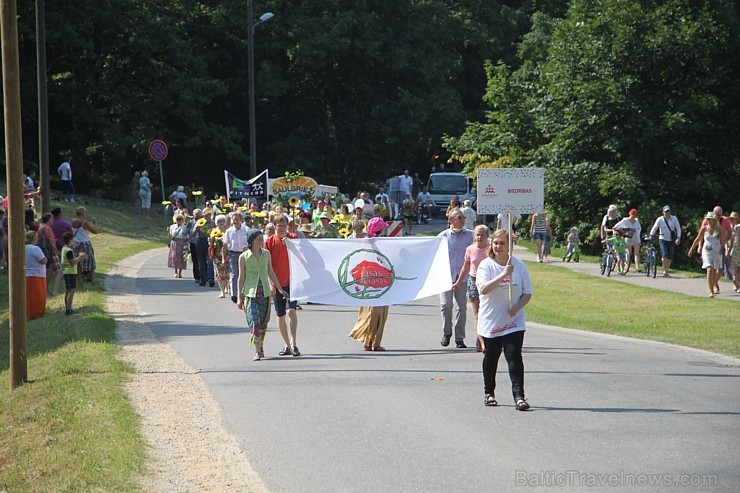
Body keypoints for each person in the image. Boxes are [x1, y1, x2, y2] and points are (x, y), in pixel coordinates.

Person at [476, 228, 533, 410]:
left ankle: (519, 396)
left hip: (513, 321)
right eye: (496, 243)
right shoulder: (486, 265)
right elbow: (483, 289)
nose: (499, 246)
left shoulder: (519, 264)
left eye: (502, 243)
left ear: (509, 246)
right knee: (491, 357)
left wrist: (516, 308)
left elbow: (527, 292)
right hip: (492, 320)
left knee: (514, 356)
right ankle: (489, 392)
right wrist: (503, 275)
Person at [236, 229, 288, 361]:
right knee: (254, 321)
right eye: (259, 238)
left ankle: (261, 345)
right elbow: (241, 277)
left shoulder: (266, 254)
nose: (262, 240)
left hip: (264, 291)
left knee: (263, 323)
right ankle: (257, 351)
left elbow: (270, 271)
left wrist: (279, 289)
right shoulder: (244, 257)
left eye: (262, 238)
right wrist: (239, 297)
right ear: (252, 241)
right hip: (250, 293)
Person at [348, 218, 391, 351]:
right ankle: (372, 342)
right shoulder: (371, 242)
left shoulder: (374, 241)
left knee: (372, 311)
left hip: (372, 279)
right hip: (376, 279)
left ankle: (371, 341)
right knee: (376, 312)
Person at [264, 214, 301, 357]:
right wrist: (271, 284)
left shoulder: (293, 239)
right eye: (278, 225)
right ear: (274, 226)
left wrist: (291, 245)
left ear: (288, 226)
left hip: (292, 281)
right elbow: (267, 265)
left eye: (284, 225)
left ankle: (294, 343)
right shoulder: (269, 242)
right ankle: (286, 344)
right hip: (277, 283)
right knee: (280, 316)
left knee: (291, 311)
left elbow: (303, 255)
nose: (281, 228)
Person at [437, 209, 474, 348]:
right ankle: (447, 332)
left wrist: (508, 238)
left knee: (461, 307)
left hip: (463, 278)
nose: (462, 220)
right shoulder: (443, 236)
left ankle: (460, 338)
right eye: (459, 217)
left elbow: (487, 240)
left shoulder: (470, 235)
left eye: (463, 217)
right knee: (446, 305)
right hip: (445, 277)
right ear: (451, 220)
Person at [452, 225, 490, 352]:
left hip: (488, 282)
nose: (479, 237)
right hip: (473, 281)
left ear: (487, 236)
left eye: (482, 235)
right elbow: (465, 267)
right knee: (477, 313)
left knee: (489, 312)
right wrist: (458, 282)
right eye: (477, 235)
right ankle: (481, 341)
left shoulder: (491, 249)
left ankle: (488, 337)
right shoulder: (469, 250)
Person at [688, 212, 723, 297]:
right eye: (708, 219)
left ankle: (713, 285)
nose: (709, 220)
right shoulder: (704, 229)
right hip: (707, 251)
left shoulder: (719, 229)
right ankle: (710, 291)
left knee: (715, 270)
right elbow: (698, 239)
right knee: (709, 268)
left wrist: (724, 248)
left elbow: (723, 239)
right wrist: (692, 249)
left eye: (710, 219)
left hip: (716, 251)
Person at [223, 211, 249, 303]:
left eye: (237, 219)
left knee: (244, 274)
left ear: (241, 220)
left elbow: (250, 242)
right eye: (234, 220)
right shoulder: (229, 231)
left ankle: (243, 293)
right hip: (233, 254)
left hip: (244, 254)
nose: (235, 221)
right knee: (234, 274)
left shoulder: (246, 230)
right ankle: (234, 294)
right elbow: (225, 245)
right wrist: (223, 257)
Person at [649, 206, 681, 277]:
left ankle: (667, 269)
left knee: (670, 255)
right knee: (664, 254)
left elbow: (678, 228)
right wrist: (651, 235)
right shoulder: (660, 219)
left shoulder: (674, 219)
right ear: (663, 212)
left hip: (671, 239)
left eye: (668, 211)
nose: (667, 213)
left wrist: (678, 237)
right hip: (662, 238)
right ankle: (665, 270)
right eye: (666, 211)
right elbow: (655, 227)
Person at [61, 230, 87, 315]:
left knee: (68, 290)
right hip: (70, 272)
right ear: (70, 240)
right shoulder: (69, 251)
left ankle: (68, 308)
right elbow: (73, 263)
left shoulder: (64, 248)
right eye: (73, 239)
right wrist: (80, 257)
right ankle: (68, 310)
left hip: (66, 271)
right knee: (72, 291)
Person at [71, 207, 98, 285]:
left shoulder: (72, 221)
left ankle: (80, 282)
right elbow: (95, 231)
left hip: (76, 243)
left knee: (78, 263)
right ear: (83, 213)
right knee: (90, 262)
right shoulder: (84, 223)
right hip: (85, 243)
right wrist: (95, 222)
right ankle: (93, 281)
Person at [37, 213, 62, 295]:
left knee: (48, 270)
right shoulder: (48, 228)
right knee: (58, 271)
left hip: (43, 251)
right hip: (51, 252)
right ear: (48, 220)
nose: (52, 220)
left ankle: (45, 289)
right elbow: (52, 241)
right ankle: (55, 290)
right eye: (51, 219)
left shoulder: (40, 228)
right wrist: (56, 250)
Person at [25, 230, 48, 319]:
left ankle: (29, 312)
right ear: (34, 238)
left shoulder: (24, 248)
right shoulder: (35, 249)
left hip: (27, 274)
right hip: (37, 274)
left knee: (29, 295)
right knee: (39, 295)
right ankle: (37, 312)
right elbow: (43, 260)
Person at [210, 214, 230, 297]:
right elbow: (211, 244)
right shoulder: (214, 231)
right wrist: (211, 241)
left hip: (228, 254)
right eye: (219, 221)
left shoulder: (228, 231)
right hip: (217, 255)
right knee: (219, 273)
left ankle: (228, 287)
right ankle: (222, 291)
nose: (221, 222)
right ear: (216, 223)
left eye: (222, 220)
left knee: (228, 273)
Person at [167, 214, 189, 278]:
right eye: (177, 219)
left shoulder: (185, 227)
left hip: (182, 243)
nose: (179, 220)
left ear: (183, 220)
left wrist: (186, 238)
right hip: (174, 243)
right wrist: (168, 232)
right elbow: (170, 236)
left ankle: (180, 272)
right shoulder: (172, 227)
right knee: (175, 257)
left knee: (182, 257)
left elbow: (188, 236)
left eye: (180, 219)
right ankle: (175, 272)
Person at [729, 212, 740, 292]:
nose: (732, 220)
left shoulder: (738, 227)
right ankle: (736, 284)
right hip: (734, 249)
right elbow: (730, 240)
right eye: (731, 218)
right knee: (734, 268)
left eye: (734, 218)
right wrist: (728, 250)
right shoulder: (730, 227)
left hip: (738, 248)